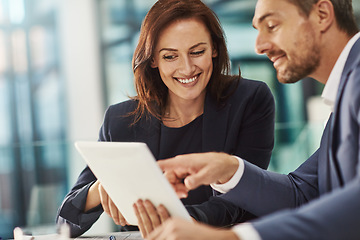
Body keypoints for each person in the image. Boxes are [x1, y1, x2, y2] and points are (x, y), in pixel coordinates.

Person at [141, 0, 360, 239]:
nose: (259, 46)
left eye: (272, 25)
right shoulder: (345, 94)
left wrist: (234, 238)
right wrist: (229, 169)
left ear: (321, 14)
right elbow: (302, 194)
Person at [55, 0, 275, 237]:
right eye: (170, 56)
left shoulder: (250, 100)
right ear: (153, 60)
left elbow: (242, 200)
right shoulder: (120, 121)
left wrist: (181, 224)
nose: (187, 68)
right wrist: (101, 188)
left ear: (214, 48)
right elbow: (64, 222)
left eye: (197, 52)